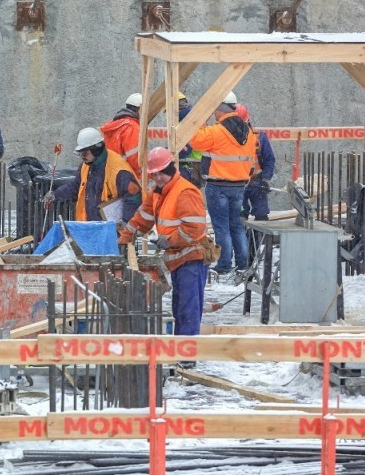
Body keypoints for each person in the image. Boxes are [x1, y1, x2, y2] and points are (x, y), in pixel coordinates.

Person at [119, 147, 208, 338]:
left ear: (171, 169)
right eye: (154, 174)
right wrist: (128, 234)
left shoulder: (185, 192)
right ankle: (180, 350)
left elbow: (194, 229)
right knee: (180, 310)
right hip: (177, 259)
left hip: (191, 259)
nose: (158, 178)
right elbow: (144, 215)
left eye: (161, 173)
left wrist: (170, 240)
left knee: (188, 313)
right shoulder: (158, 191)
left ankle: (187, 355)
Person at [188, 91, 256, 275]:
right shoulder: (248, 132)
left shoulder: (216, 132)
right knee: (236, 225)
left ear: (220, 108)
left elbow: (195, 141)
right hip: (239, 186)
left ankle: (224, 264)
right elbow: (251, 160)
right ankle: (243, 264)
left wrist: (200, 120)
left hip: (218, 186)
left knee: (221, 227)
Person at [44, 127, 141, 223]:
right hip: (91, 227)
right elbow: (76, 186)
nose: (82, 157)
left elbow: (134, 198)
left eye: (85, 153)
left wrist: (125, 223)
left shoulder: (119, 171)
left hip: (112, 231)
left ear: (96, 149)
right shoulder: (86, 166)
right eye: (80, 153)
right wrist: (55, 195)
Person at [237, 103, 276, 221]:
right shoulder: (228, 139)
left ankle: (259, 240)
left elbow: (269, 159)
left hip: (257, 183)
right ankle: (245, 239)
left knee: (261, 216)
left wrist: (265, 179)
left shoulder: (259, 137)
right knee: (240, 218)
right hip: (238, 184)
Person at [100, 93, 142, 176]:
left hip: (110, 173)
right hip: (125, 175)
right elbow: (133, 158)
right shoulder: (132, 127)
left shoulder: (116, 124)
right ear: (140, 109)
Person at [174, 92, 204, 188]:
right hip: (195, 165)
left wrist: (168, 153)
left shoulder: (187, 121)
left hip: (191, 166)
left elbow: (185, 149)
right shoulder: (192, 117)